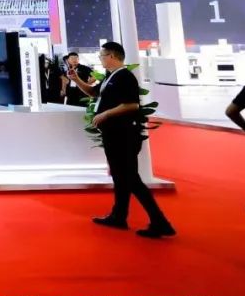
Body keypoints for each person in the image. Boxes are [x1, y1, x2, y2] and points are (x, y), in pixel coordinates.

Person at [70, 41, 175, 239]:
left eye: (102, 56)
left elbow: (132, 105)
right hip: (113, 134)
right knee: (120, 177)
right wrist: (76, 80)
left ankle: (160, 221)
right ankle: (119, 215)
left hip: (124, 134)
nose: (100, 59)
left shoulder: (125, 77)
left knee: (131, 178)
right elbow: (93, 92)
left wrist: (105, 114)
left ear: (112, 56)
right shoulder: (111, 77)